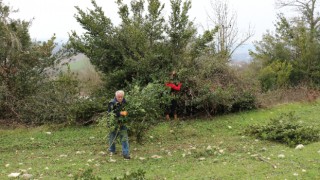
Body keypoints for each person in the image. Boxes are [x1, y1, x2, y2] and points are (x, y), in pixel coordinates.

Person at [107, 90, 130, 160]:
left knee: (124, 137)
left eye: (121, 97)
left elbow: (128, 111)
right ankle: (112, 150)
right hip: (113, 123)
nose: (120, 98)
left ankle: (125, 153)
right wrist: (120, 113)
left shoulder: (125, 102)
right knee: (112, 137)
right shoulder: (112, 103)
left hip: (122, 123)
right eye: (118, 97)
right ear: (116, 96)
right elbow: (110, 113)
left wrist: (126, 113)